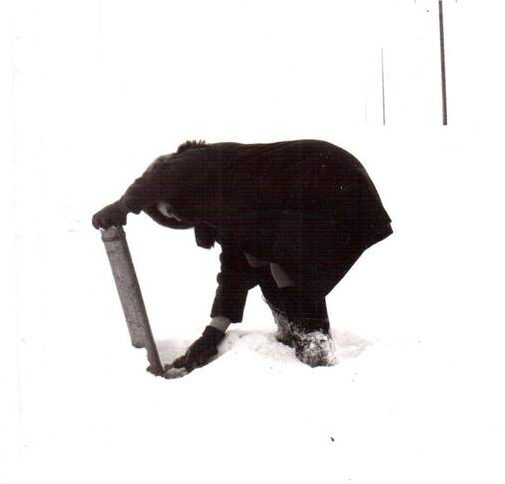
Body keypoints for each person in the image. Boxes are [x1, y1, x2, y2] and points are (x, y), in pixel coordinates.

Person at [92, 139, 393, 375]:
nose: (174, 214)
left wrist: (123, 206)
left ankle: (312, 337)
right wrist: (211, 336)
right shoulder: (228, 212)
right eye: (169, 216)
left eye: (168, 205)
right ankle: (297, 327)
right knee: (257, 254)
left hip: (329, 178)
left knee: (283, 255)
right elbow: (234, 275)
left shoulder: (205, 163)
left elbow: (166, 172)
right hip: (330, 190)